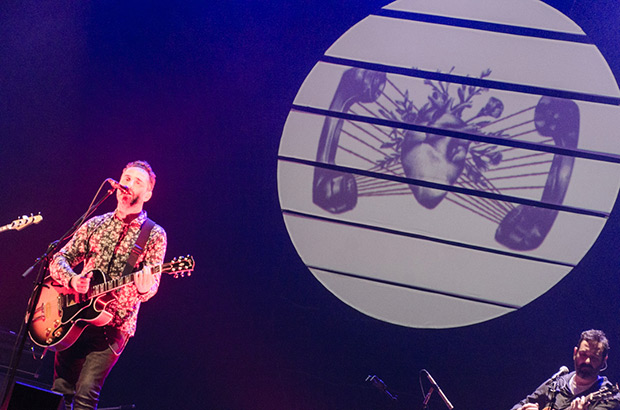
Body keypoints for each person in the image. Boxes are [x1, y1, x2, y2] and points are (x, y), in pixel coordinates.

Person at [48, 160, 167, 410]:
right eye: (126, 177)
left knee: (85, 395)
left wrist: (145, 288)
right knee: (59, 391)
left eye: (138, 182)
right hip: (75, 317)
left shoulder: (154, 234)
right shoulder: (96, 223)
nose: (129, 184)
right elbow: (59, 258)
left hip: (113, 328)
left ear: (147, 193)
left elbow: (151, 286)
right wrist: (72, 279)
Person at [511, 330, 620, 410]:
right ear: (575, 353)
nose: (587, 361)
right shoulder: (558, 382)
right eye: (583, 354)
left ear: (604, 360)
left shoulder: (610, 397)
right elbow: (522, 404)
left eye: (594, 358)